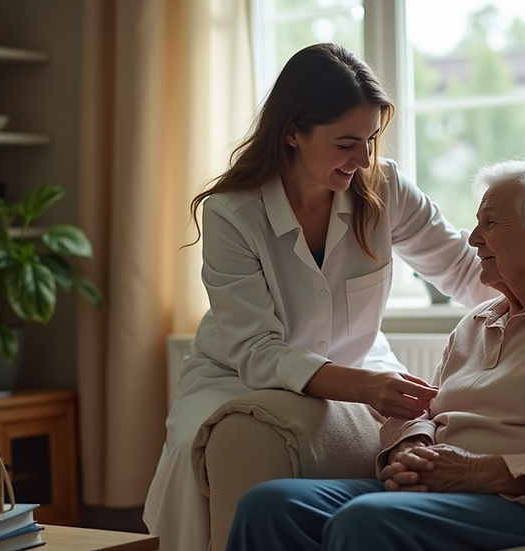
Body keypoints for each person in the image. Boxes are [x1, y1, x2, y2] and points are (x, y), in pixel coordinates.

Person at [143, 43, 498, 551]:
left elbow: (465, 271)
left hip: (360, 365)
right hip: (234, 378)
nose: (365, 158)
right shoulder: (232, 213)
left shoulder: (385, 186)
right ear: (292, 132)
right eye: (346, 142)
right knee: (193, 450)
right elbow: (256, 352)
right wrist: (365, 387)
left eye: (373, 137)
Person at [224, 159, 525, 551]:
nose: (473, 238)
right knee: (269, 504)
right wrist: (413, 444)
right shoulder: (476, 323)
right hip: (458, 489)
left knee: (367, 522)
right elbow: (428, 407)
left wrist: (478, 473)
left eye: (490, 223)